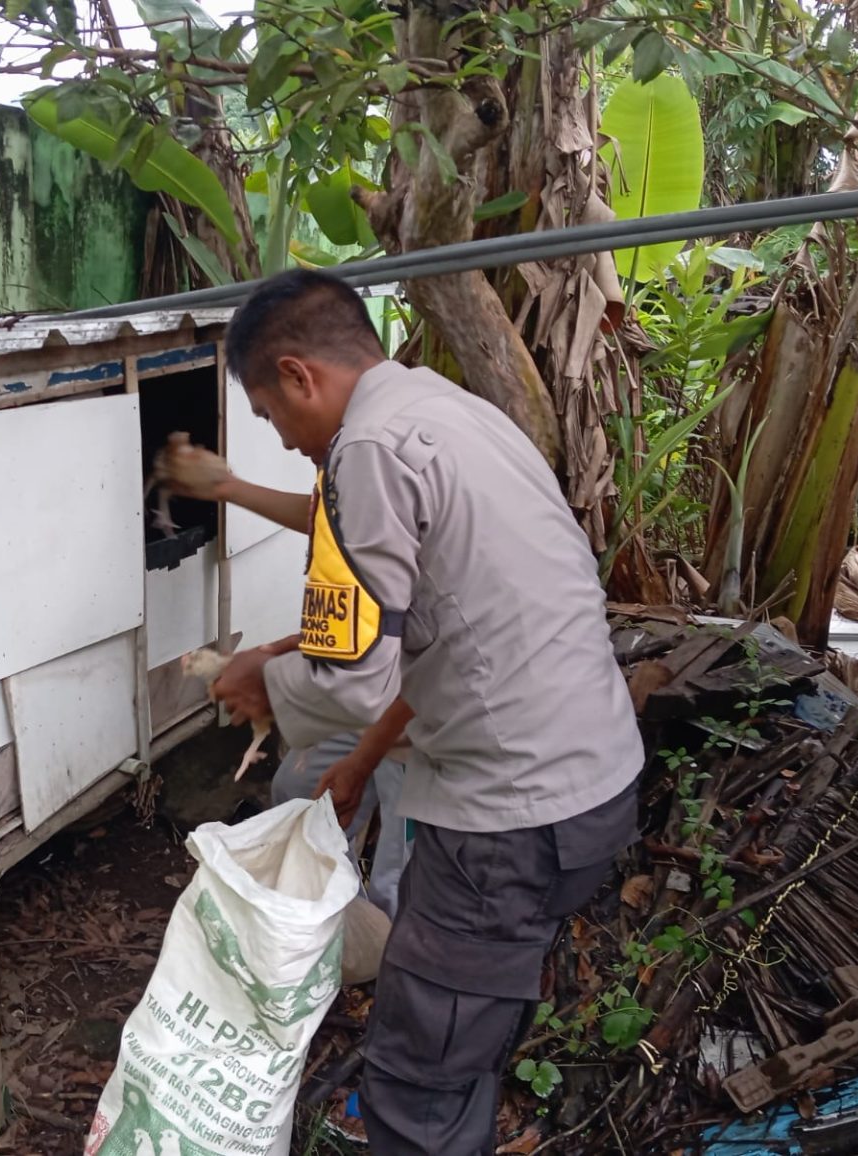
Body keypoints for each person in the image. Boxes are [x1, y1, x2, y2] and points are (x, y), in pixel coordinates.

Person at [204, 269, 643, 1155]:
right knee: (461, 1036)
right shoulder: (452, 411)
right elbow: (448, 631)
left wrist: (262, 681)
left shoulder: (365, 453)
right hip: (590, 786)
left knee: (419, 1076)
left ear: (299, 376)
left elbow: (349, 675)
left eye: (270, 418)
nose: (284, 443)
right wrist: (363, 763)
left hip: (508, 824)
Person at [154, 444, 412, 918]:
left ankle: (388, 963)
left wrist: (279, 676)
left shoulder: (388, 447)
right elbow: (332, 521)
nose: (285, 440)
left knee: (403, 871)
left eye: (270, 408)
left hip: (414, 706)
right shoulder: (346, 452)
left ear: (302, 377)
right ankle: (333, 926)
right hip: (361, 680)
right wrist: (226, 488)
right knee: (299, 790)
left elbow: (421, 636)